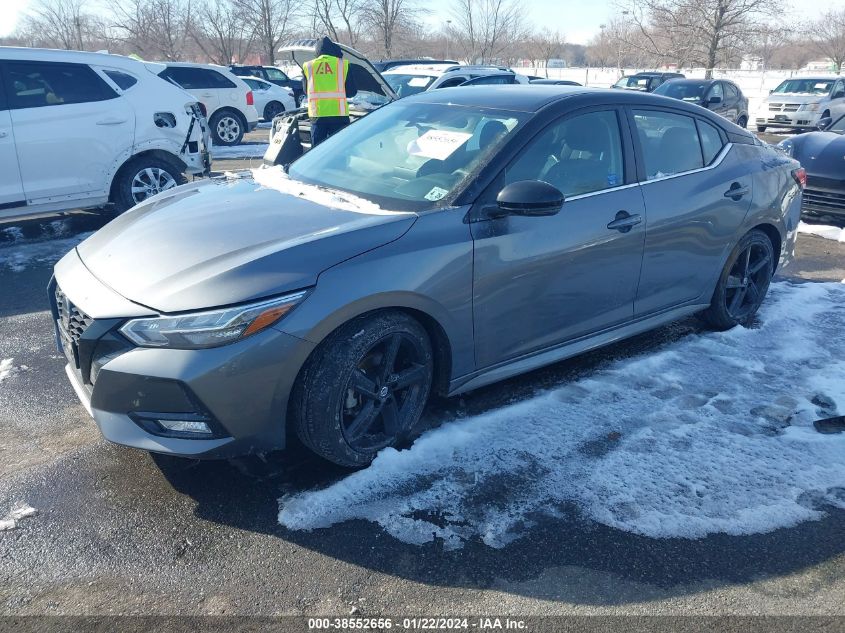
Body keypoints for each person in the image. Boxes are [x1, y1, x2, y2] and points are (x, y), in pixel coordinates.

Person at [302, 37, 359, 146]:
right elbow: (351, 92)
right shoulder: (343, 64)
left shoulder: (308, 66)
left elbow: (306, 91)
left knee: (318, 153)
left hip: (317, 117)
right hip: (339, 117)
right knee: (339, 151)